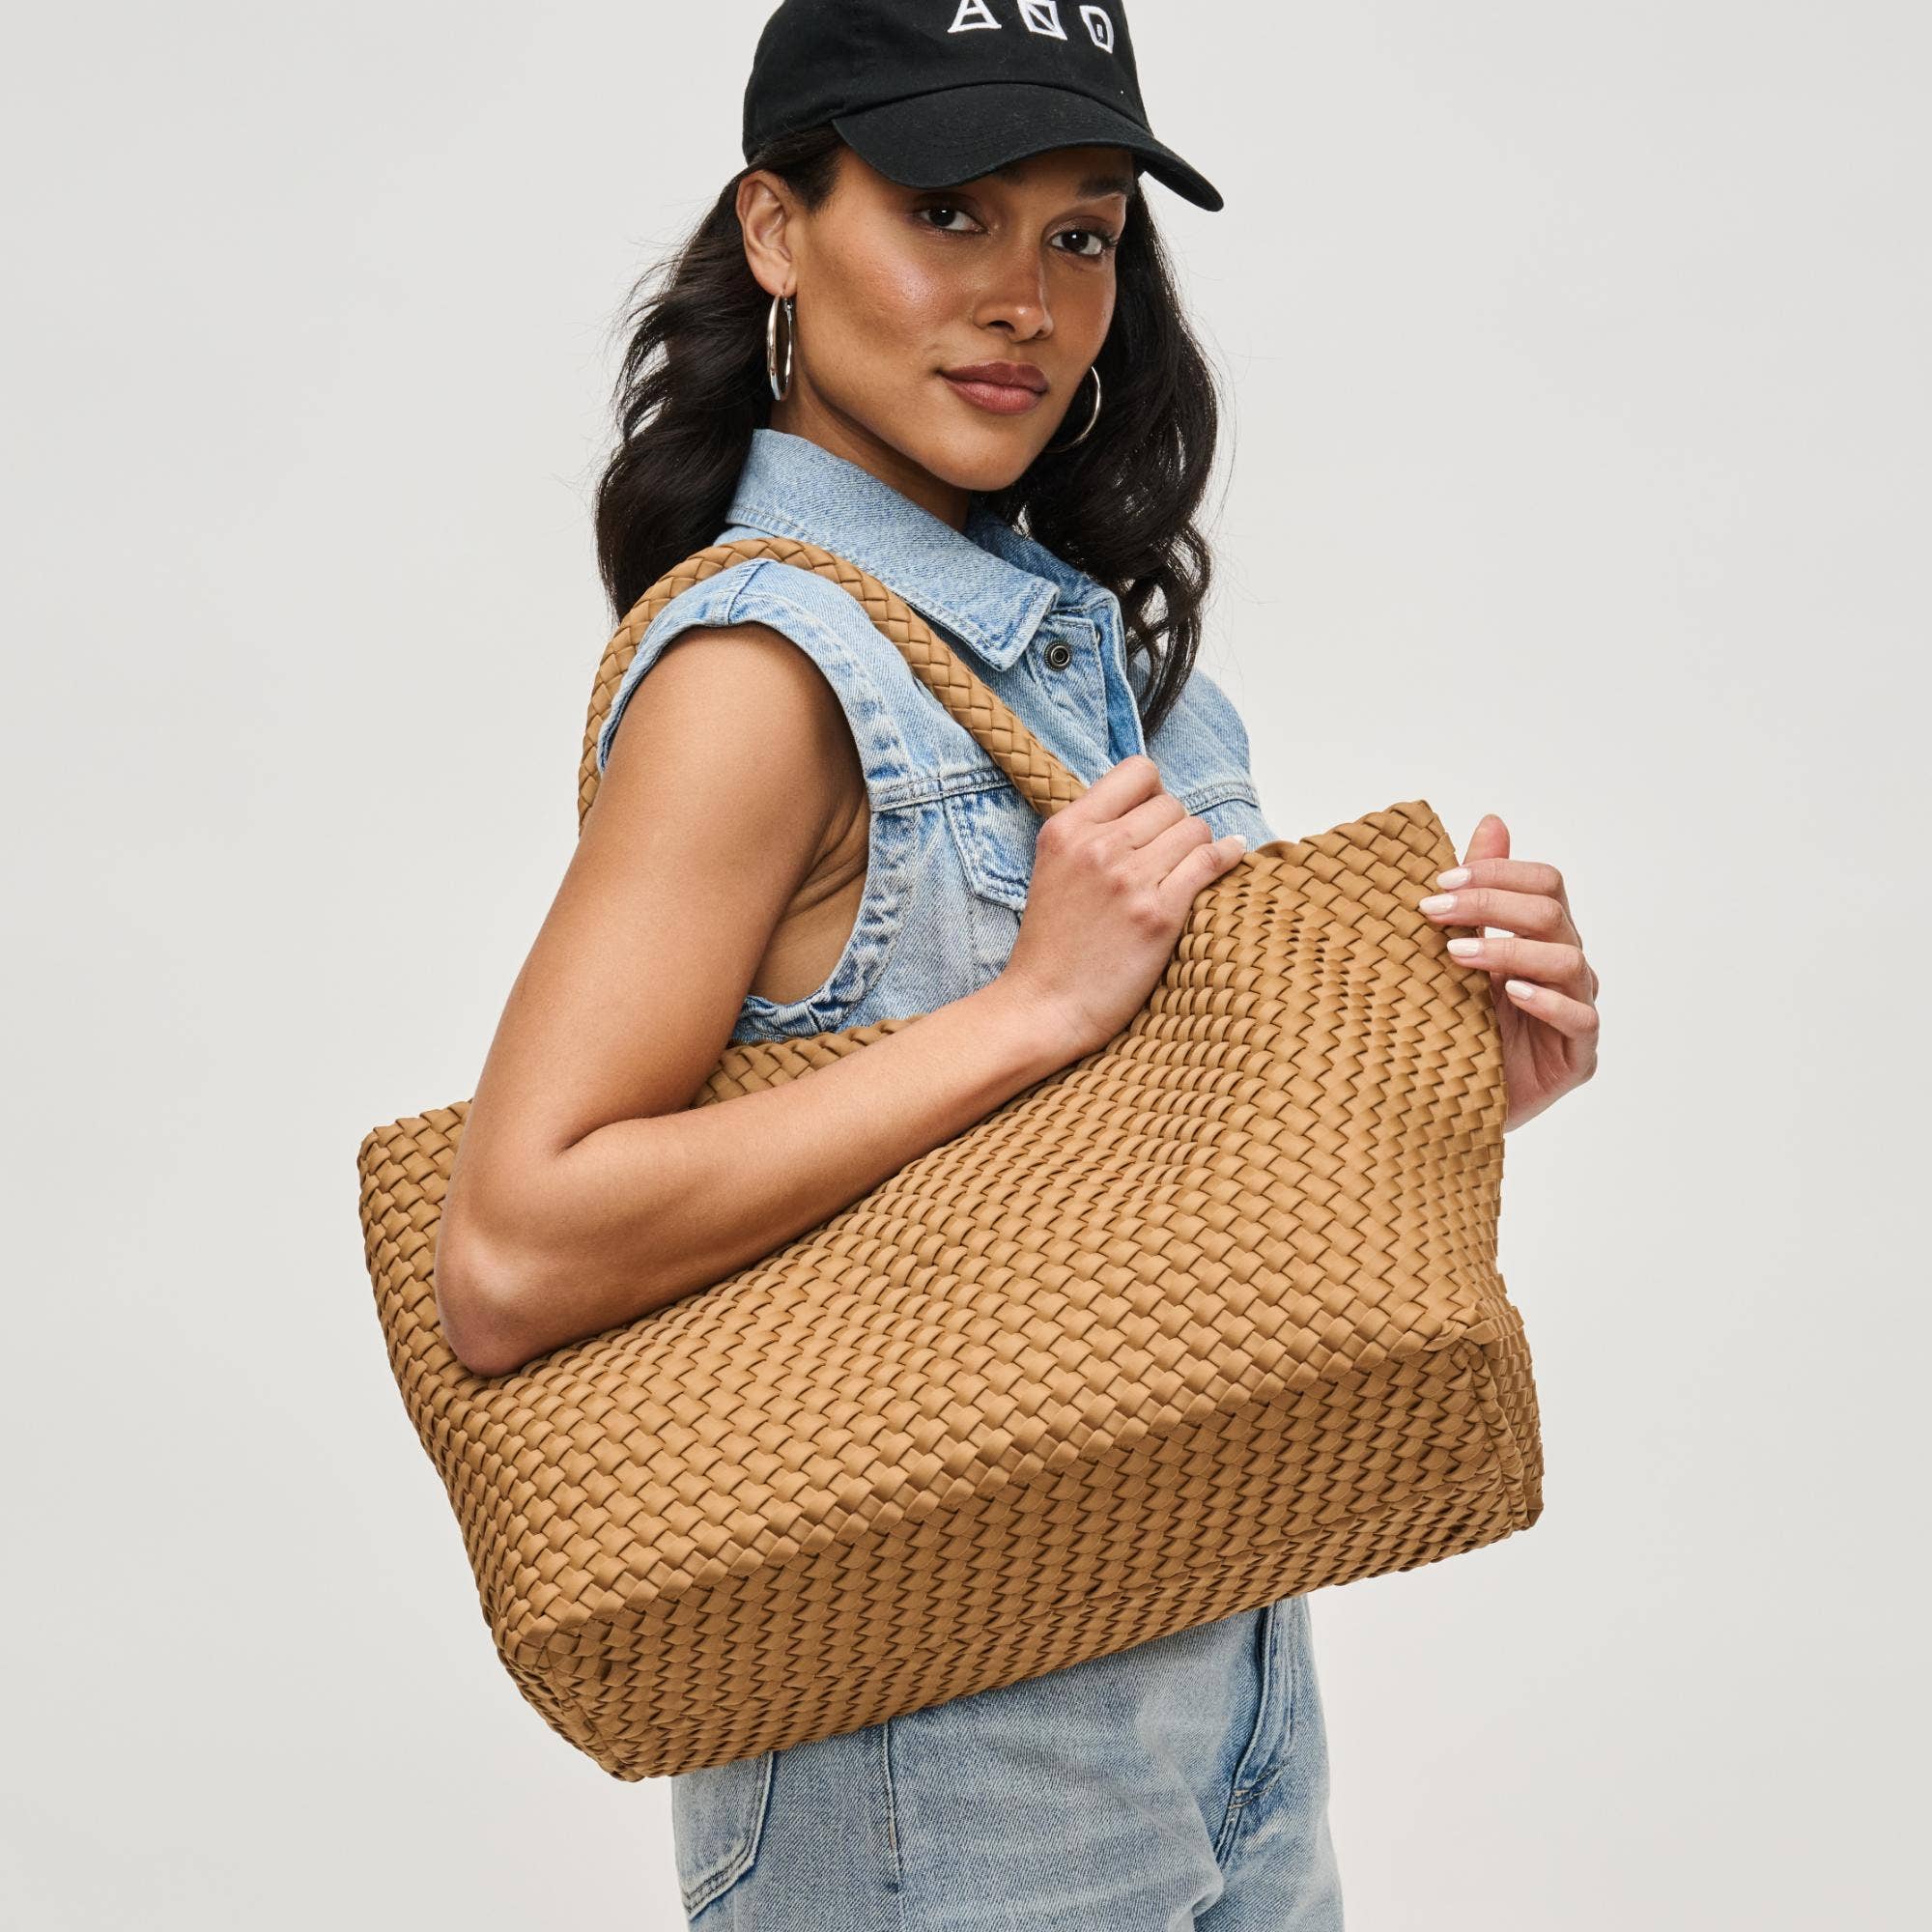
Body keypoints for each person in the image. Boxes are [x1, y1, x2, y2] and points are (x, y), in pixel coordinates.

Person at [435, 2, 1603, 1924]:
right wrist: (1033, 1007)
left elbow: (1110, 1202)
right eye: (947, 212)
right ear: (776, 227)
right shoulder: (760, 675)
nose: (1026, 300)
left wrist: (1456, 1079)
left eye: (1080, 232)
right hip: (928, 1757)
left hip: (1227, 1675)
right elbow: (511, 1251)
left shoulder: (1104, 661)